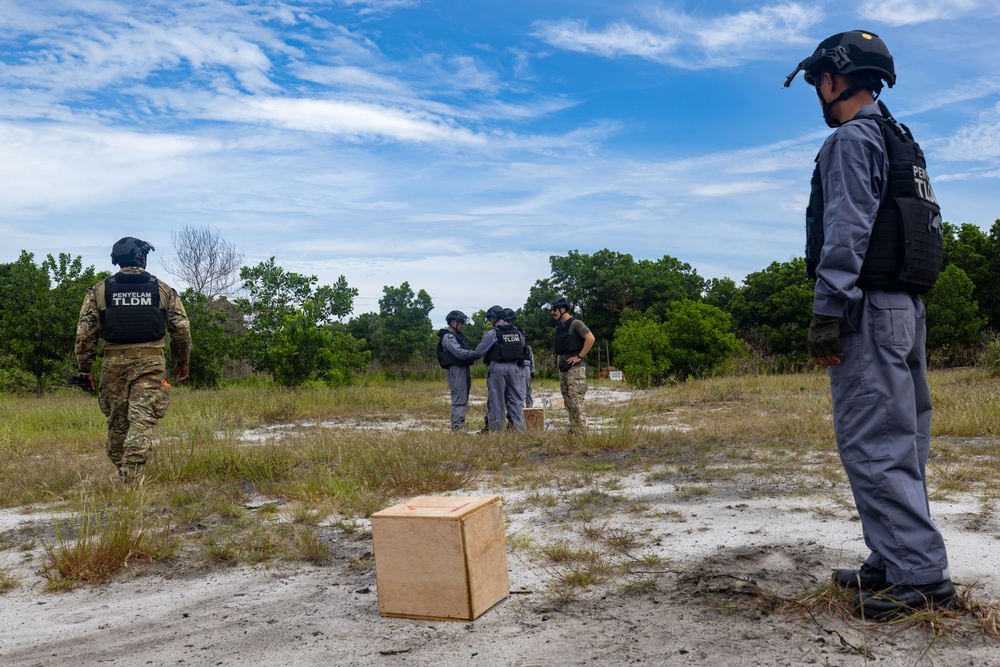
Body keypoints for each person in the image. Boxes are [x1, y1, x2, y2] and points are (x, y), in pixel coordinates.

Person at [784, 31, 952, 619]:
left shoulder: (851, 140)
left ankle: (919, 575)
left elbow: (848, 228)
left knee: (873, 439)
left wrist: (829, 308)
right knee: (902, 437)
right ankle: (893, 554)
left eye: (817, 83)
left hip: (869, 308)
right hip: (907, 307)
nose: (817, 94)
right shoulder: (899, 137)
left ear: (834, 78)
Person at [75, 237, 192, 483]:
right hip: (151, 364)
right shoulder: (163, 289)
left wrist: (84, 370)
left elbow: (86, 333)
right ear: (142, 258)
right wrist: (182, 361)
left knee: (117, 422)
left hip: (113, 365)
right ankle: (131, 476)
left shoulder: (99, 291)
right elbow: (181, 329)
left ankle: (126, 473)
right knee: (142, 420)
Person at [475, 305, 527, 433]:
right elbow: (522, 346)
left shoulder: (493, 333)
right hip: (515, 368)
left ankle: (497, 433)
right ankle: (520, 431)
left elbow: (479, 351)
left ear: (493, 318)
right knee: (515, 400)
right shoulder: (518, 333)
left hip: (498, 368)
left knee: (497, 401)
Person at [548, 297, 594, 433]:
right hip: (564, 367)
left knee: (576, 398)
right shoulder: (560, 328)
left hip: (576, 369)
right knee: (567, 399)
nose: (552, 312)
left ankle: (580, 430)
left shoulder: (576, 324)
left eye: (554, 309)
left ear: (563, 309)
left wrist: (579, 356)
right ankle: (573, 427)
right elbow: (561, 346)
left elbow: (590, 338)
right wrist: (559, 357)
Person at [436, 310, 479, 431]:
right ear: (453, 322)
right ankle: (457, 428)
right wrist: (476, 354)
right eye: (461, 323)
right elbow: (459, 353)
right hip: (456, 370)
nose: (463, 325)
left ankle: (460, 426)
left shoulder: (459, 337)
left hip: (463, 368)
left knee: (463, 398)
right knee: (459, 399)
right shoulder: (448, 337)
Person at [504, 307, 535, 408]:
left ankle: (529, 407)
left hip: (525, 366)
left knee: (527, 388)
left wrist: (532, 371)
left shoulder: (527, 347)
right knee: (520, 389)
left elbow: (531, 359)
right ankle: (520, 409)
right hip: (516, 366)